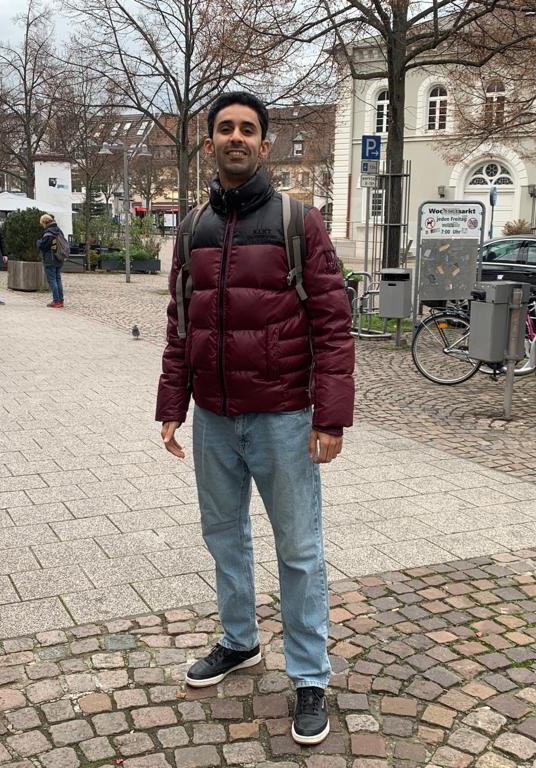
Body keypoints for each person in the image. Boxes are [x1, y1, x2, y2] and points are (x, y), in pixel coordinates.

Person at [155, 91, 354, 747]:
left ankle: (309, 675)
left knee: (299, 551)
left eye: (247, 129)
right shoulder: (191, 229)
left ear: (265, 144)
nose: (235, 137)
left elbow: (333, 324)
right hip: (214, 417)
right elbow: (180, 324)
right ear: (208, 144)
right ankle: (240, 641)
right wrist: (170, 408)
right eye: (224, 129)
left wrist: (330, 418)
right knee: (224, 537)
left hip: (284, 418)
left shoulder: (302, 222)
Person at [36, 213, 65, 308]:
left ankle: (56, 301)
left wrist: (38, 243)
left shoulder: (48, 233)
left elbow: (44, 247)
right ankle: (61, 300)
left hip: (50, 258)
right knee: (58, 279)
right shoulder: (59, 230)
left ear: (45, 222)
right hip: (59, 257)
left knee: (52, 280)